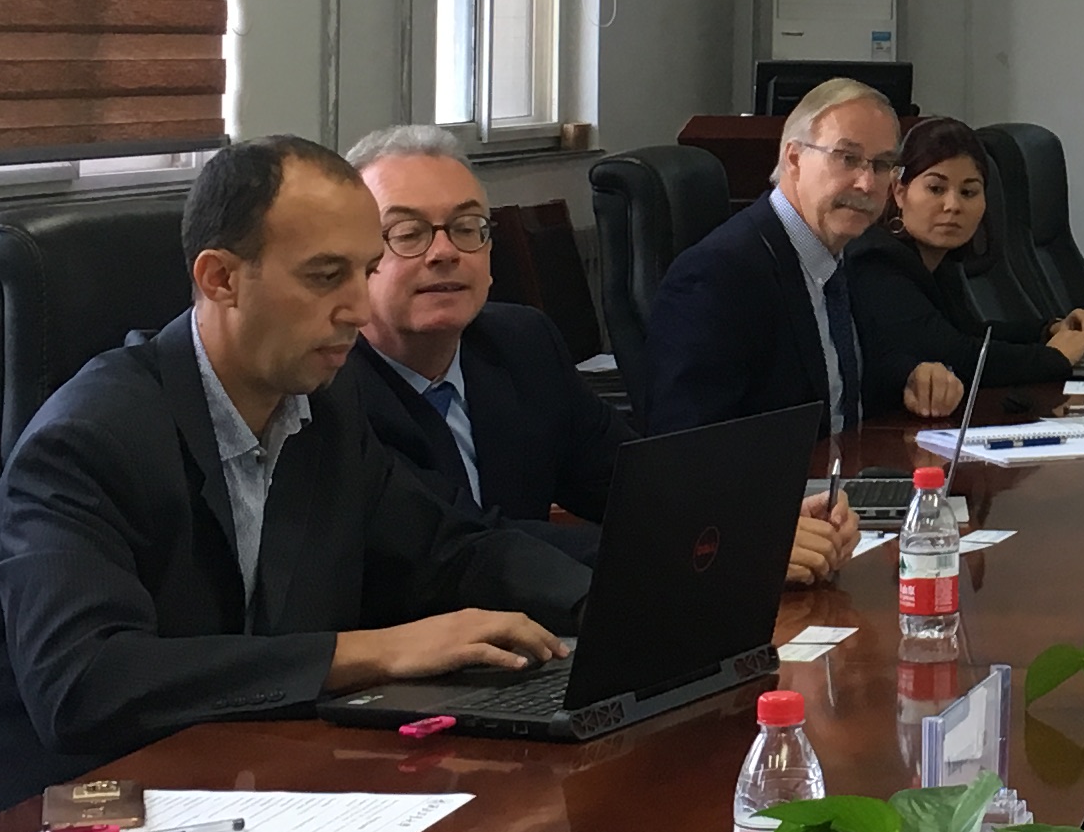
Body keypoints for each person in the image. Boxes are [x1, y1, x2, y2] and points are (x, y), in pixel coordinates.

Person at [0, 136, 590, 828]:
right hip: (35, 830)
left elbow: (452, 548)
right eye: (326, 277)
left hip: (230, 798)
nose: (359, 309)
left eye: (366, 271)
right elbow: (84, 685)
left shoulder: (322, 410)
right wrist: (374, 652)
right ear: (221, 279)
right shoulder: (91, 437)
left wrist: (612, 602)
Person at [342, 125, 852, 586]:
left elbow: (633, 484)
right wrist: (706, 547)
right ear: (355, 258)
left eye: (467, 226)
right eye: (407, 233)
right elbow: (468, 539)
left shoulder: (521, 343)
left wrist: (756, 521)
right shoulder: (331, 390)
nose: (444, 252)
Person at [643, 78, 961, 436]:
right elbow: (687, 443)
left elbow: (846, 369)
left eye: (882, 164)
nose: (867, 184)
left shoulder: (847, 253)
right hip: (778, 473)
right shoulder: (717, 276)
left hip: (851, 464)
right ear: (793, 158)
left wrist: (912, 377)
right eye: (848, 158)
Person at [844, 115, 1084, 419]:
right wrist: (1053, 357)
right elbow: (956, 355)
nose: (953, 205)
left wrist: (1047, 330)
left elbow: (967, 331)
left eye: (968, 192)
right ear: (899, 192)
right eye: (936, 188)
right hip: (870, 431)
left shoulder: (936, 258)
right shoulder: (876, 261)